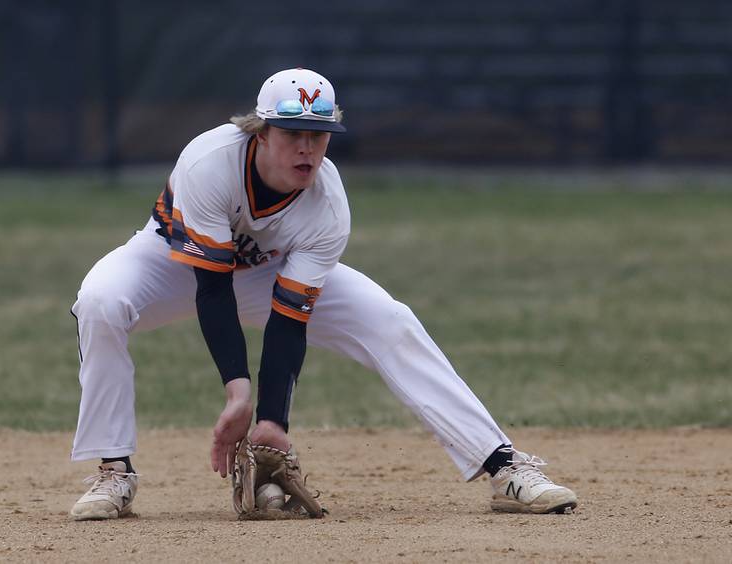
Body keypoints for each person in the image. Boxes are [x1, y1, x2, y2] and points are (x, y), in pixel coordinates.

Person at [68, 68, 577, 520]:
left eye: (320, 134)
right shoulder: (209, 163)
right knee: (100, 301)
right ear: (261, 132)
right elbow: (212, 287)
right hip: (173, 261)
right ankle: (115, 470)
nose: (307, 148)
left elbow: (290, 320)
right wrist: (237, 390)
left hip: (271, 269)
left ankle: (504, 467)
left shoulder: (328, 204)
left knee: (389, 320)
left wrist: (270, 421)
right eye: (293, 133)